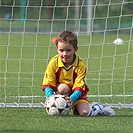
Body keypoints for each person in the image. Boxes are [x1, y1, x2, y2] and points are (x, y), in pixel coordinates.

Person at [42, 31, 115, 116]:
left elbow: (80, 86)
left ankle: (97, 107)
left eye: (68, 50)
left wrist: (72, 99)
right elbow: (48, 82)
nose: (64, 54)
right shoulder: (53, 62)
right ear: (57, 49)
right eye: (61, 50)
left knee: (84, 113)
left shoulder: (80, 65)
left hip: (76, 93)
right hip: (60, 90)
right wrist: (50, 98)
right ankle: (59, 101)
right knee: (63, 88)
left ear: (75, 49)